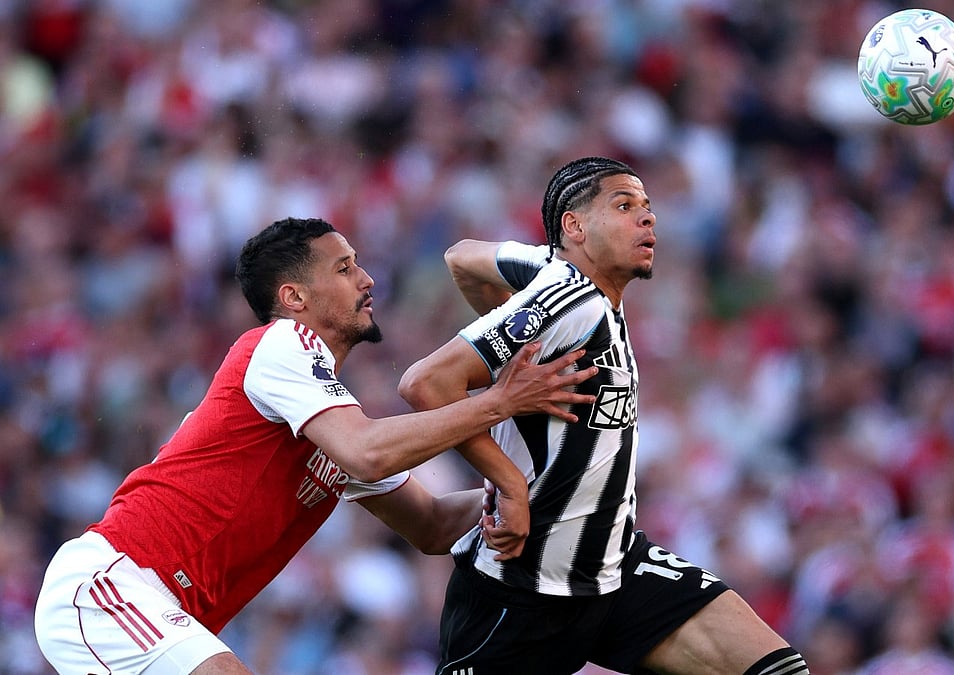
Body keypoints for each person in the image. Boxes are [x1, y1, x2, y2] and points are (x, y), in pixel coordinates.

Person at [33, 217, 598, 674]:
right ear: (293, 297)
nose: (368, 279)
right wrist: (499, 401)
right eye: (346, 268)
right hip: (110, 587)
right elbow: (368, 452)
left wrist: (559, 484)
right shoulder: (281, 343)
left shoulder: (328, 417)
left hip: (160, 609)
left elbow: (431, 524)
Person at [399, 157, 810, 674]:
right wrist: (508, 484)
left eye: (647, 208)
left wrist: (537, 292)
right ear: (575, 226)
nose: (647, 219)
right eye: (624, 205)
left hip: (614, 568)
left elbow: (462, 257)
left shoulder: (574, 290)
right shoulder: (568, 300)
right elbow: (424, 383)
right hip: (523, 592)